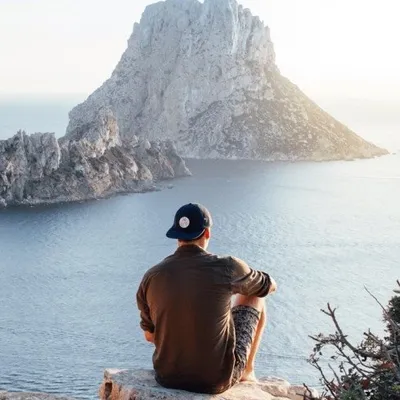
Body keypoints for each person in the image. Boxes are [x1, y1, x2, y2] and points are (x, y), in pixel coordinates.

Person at [136, 203, 277, 394]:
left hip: (167, 377)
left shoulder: (152, 276)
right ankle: (247, 371)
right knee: (255, 295)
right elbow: (268, 286)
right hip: (215, 380)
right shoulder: (228, 267)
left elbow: (150, 336)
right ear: (207, 233)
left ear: (177, 236)